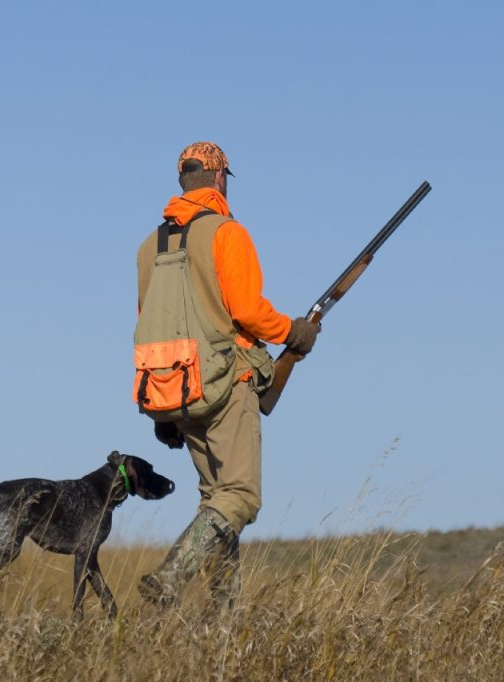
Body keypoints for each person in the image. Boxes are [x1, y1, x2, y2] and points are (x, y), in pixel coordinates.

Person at [135, 141, 319, 607]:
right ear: (220, 180)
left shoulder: (148, 246)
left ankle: (223, 617)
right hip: (227, 384)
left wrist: (164, 415)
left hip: (175, 392)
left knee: (216, 499)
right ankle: (171, 577)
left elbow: (148, 322)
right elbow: (250, 312)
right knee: (240, 496)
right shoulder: (226, 232)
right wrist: (292, 333)